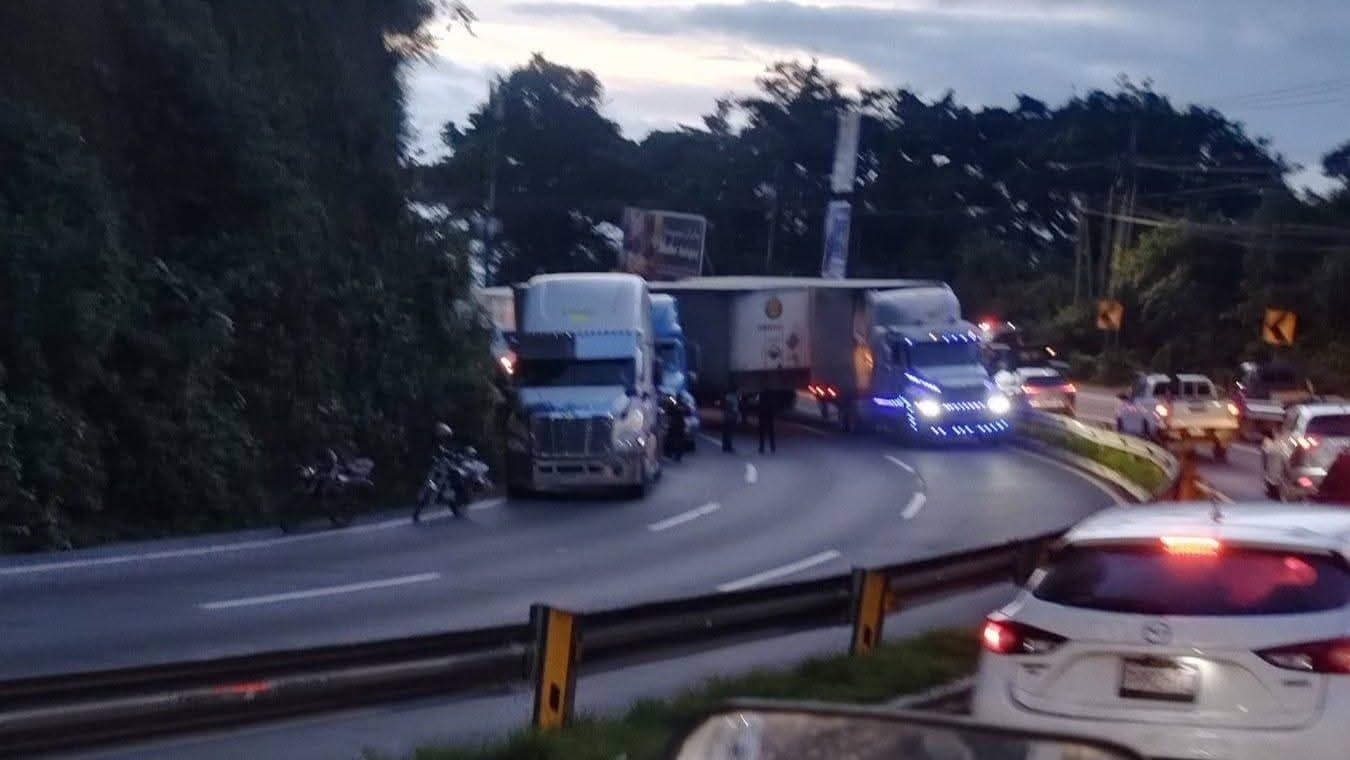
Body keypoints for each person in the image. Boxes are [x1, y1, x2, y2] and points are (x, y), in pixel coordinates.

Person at [722, 386, 740, 453]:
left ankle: (724, 446)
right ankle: (729, 446)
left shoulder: (727, 397)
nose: (739, 393)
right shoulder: (734, 399)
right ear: (735, 391)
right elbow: (735, 409)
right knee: (730, 432)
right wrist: (737, 416)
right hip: (731, 417)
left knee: (725, 432)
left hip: (726, 416)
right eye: (738, 391)